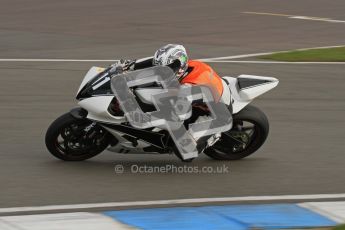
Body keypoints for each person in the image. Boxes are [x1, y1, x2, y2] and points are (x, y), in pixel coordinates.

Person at [114, 44, 231, 155]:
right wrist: (127, 65)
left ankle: (215, 135)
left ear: (179, 67)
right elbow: (153, 63)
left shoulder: (189, 87)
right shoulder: (180, 65)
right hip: (206, 97)